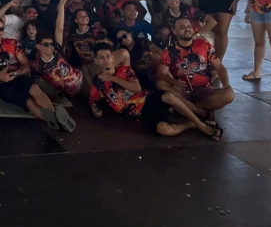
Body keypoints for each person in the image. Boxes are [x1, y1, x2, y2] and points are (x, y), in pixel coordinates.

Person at [90, 42, 223, 140]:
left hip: (147, 99)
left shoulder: (124, 70)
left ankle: (201, 125)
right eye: (101, 57)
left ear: (113, 58)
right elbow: (93, 99)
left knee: (169, 97)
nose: (105, 60)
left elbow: (137, 88)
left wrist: (112, 78)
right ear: (96, 61)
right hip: (140, 114)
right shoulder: (98, 83)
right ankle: (190, 124)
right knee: (164, 129)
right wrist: (95, 107)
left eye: (108, 56)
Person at [0, 17, 75, 131]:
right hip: (0, 85)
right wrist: (0, 77)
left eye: (1, 29)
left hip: (18, 77)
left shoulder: (12, 43)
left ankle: (55, 117)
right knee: (28, 101)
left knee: (35, 88)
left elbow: (26, 66)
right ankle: (56, 119)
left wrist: (16, 73)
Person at [156, 17, 234, 113]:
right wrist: (174, 82)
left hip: (205, 89)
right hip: (182, 92)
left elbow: (220, 67)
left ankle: (193, 108)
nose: (187, 29)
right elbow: (161, 73)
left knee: (229, 94)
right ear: (175, 32)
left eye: (189, 26)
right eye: (182, 27)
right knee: (161, 85)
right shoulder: (169, 51)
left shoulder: (204, 44)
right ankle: (198, 111)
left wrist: (226, 84)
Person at [31, 35, 84, 101]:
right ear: (38, 46)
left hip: (82, 80)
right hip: (70, 94)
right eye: (46, 44)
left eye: (51, 44)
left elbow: (59, 31)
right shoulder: (37, 66)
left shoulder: (57, 52)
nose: (50, 46)